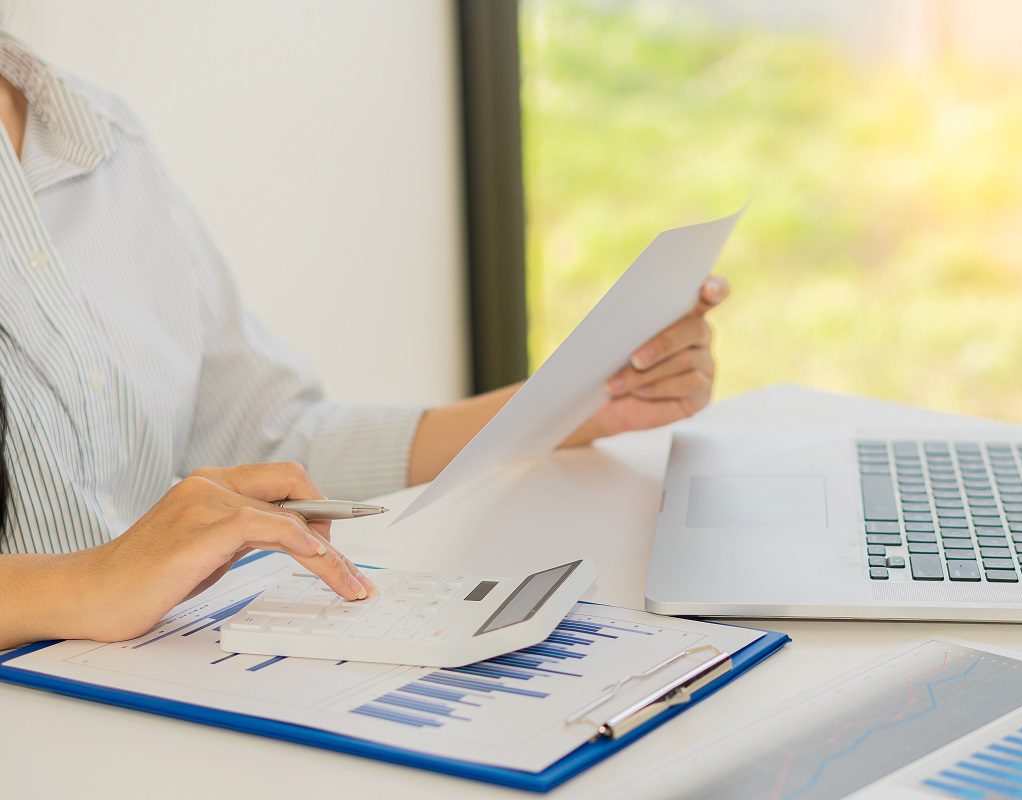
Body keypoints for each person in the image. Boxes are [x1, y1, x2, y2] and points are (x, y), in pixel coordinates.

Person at [0, 31, 728, 649]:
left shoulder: (100, 139)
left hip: (146, 679)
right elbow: (108, 573)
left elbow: (269, 445)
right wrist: (82, 584)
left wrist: (578, 401)